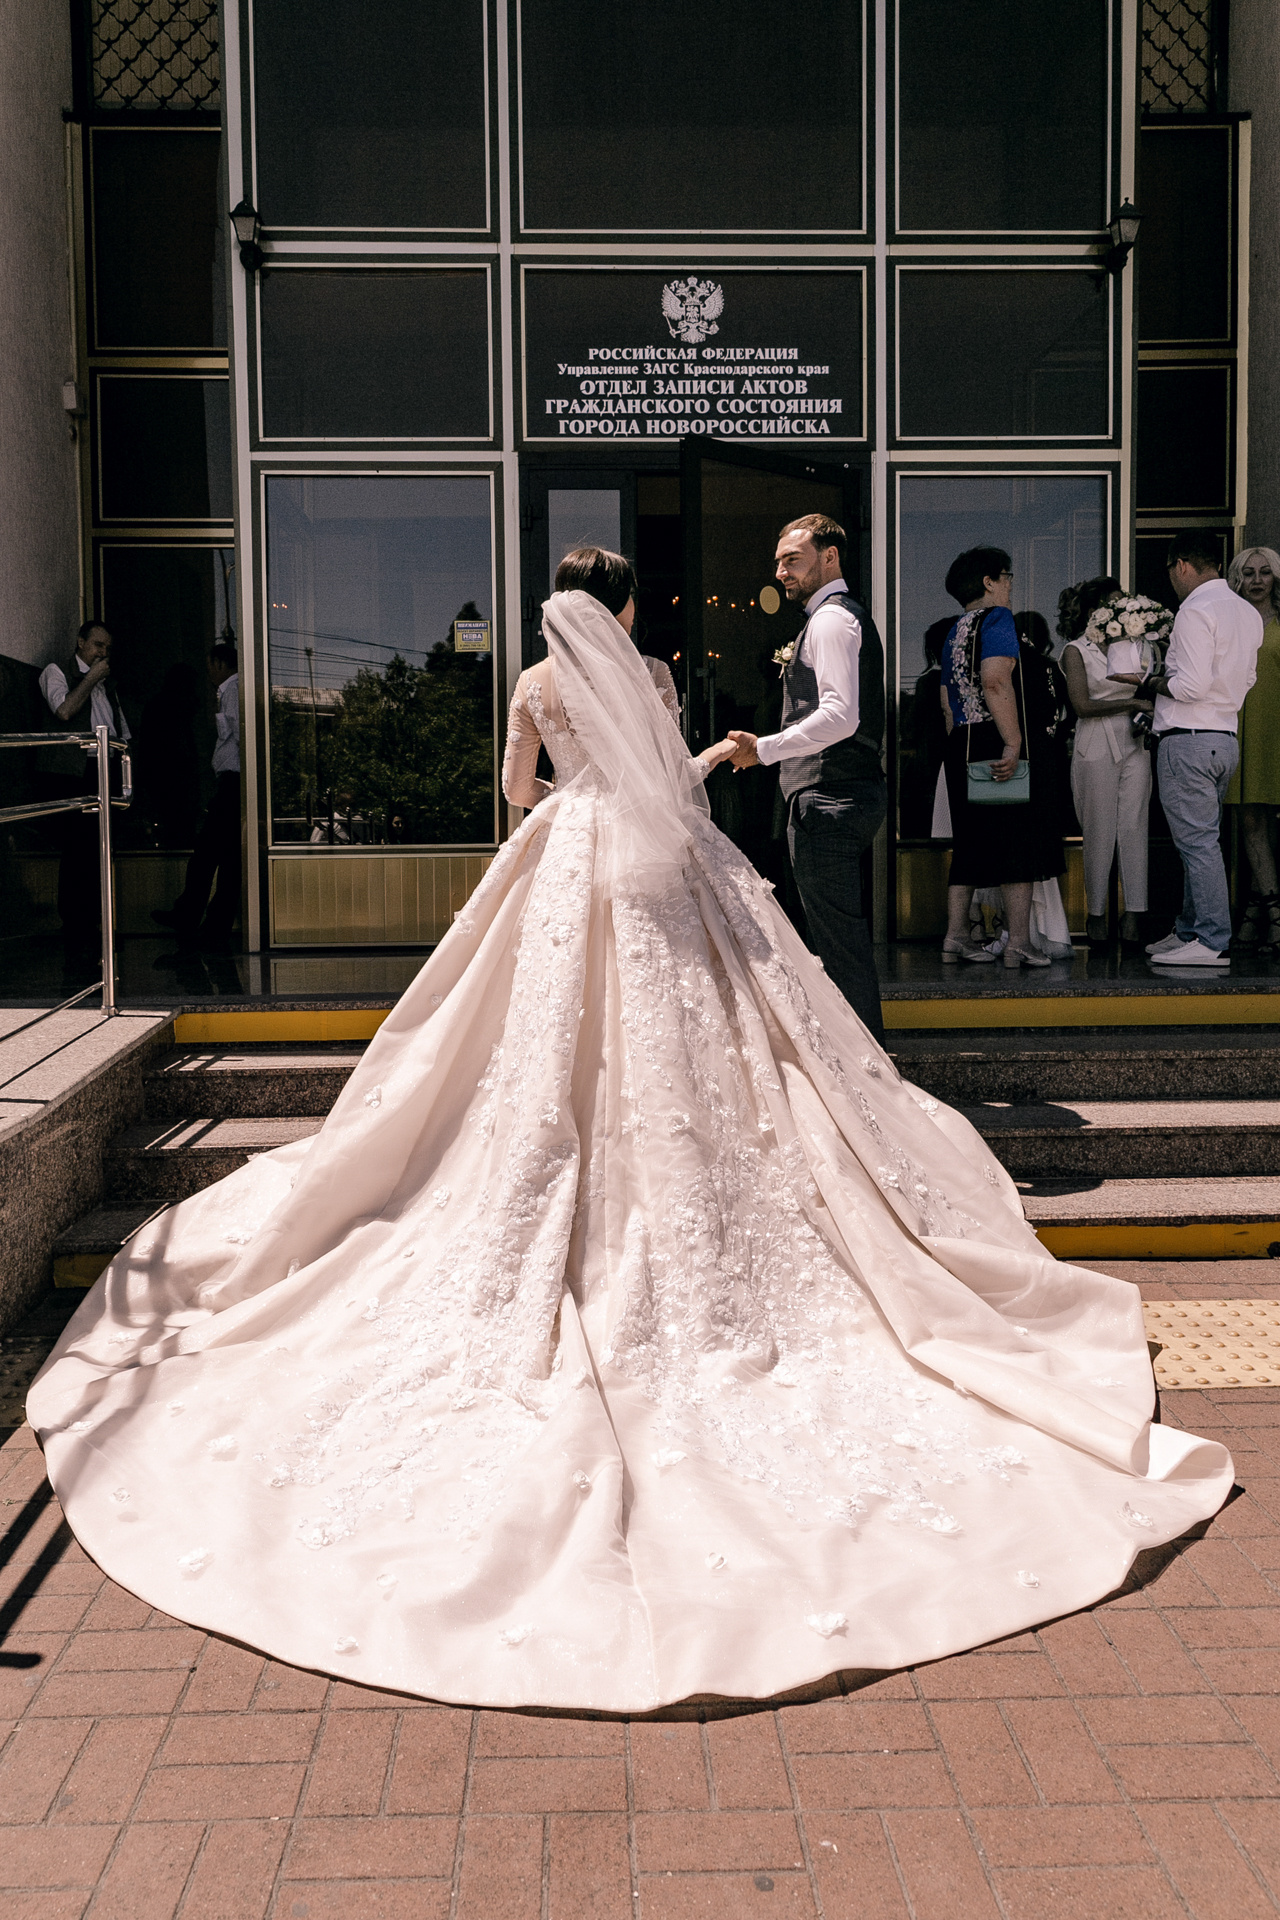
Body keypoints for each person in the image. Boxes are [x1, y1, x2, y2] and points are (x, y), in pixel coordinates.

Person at [28, 564, 1231, 1716]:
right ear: (624, 613)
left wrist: (566, 805)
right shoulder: (653, 678)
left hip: (566, 864)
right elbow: (676, 788)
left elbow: (515, 796)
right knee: (732, 1046)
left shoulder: (532, 688)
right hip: (669, 876)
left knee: (523, 1055)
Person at [725, 514, 888, 1048]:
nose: (781, 572)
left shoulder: (831, 621)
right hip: (834, 795)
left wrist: (766, 749)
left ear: (830, 557)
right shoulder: (828, 619)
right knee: (834, 937)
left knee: (838, 943)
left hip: (830, 797)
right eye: (779, 562)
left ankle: (870, 1071)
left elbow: (841, 716)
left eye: (792, 559)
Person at [937, 548, 1064, 970]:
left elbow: (945, 700)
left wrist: (962, 738)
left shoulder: (954, 630)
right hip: (994, 737)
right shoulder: (997, 619)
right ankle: (1020, 944)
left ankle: (955, 936)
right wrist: (1013, 742)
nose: (1010, 584)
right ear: (989, 582)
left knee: (968, 842)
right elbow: (995, 679)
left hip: (962, 741)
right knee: (1017, 839)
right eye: (1006, 576)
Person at [1147, 534, 1264, 968]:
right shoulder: (1247, 612)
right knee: (1200, 843)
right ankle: (1188, 931)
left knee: (1198, 846)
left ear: (1181, 566)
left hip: (1189, 740)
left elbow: (1189, 686)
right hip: (1223, 738)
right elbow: (1247, 680)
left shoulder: (1195, 609)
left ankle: (1212, 940)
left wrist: (1151, 683)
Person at [1058, 576, 1155, 947]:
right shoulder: (1076, 650)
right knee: (1098, 830)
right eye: (1113, 604)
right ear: (1095, 610)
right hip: (1095, 742)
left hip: (1134, 740)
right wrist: (1131, 702)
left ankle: (1135, 914)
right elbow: (1081, 705)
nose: (1120, 610)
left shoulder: (1137, 645)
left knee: (1134, 826)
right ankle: (1096, 913)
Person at [38, 621, 131, 971]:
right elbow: (63, 710)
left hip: (104, 770)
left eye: (107, 647)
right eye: (96, 644)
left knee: (99, 852)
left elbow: (121, 730)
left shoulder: (108, 684)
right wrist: (90, 679)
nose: (102, 652)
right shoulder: (56, 671)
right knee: (77, 853)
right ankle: (75, 930)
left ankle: (96, 928)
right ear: (80, 642)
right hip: (74, 774)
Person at [152, 644, 241, 952]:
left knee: (208, 855)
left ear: (219, 663)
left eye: (209, 667)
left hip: (235, 784)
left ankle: (195, 918)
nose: (208, 674)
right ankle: (203, 921)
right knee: (223, 858)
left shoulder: (233, 690)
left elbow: (242, 735)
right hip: (231, 784)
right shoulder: (229, 691)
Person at [1225, 547, 1280, 950]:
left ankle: (1257, 915)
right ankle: (1270, 917)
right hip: (1239, 728)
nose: (1257, 580)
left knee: (1270, 827)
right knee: (1249, 823)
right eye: (1249, 573)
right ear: (1237, 579)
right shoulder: (1229, 623)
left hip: (1275, 729)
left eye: (1264, 572)